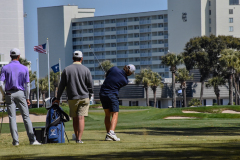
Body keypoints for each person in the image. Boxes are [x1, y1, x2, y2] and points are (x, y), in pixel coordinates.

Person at [0, 48, 41, 146]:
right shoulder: (24, 68)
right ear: (18, 56)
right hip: (20, 93)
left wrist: (4, 94)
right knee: (26, 117)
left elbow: (1, 83)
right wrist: (27, 98)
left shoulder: (5, 68)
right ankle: (32, 140)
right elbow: (27, 85)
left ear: (10, 56)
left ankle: (16, 141)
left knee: (12, 118)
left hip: (9, 93)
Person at [53, 51, 93, 144]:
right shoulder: (86, 70)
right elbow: (90, 86)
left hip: (72, 97)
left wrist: (58, 98)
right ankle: (79, 139)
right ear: (82, 58)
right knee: (81, 118)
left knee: (75, 118)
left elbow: (61, 86)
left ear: (72, 58)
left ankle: (77, 137)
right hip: (84, 97)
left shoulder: (67, 69)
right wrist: (90, 95)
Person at [99, 64, 136, 141]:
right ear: (130, 73)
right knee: (115, 114)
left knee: (107, 115)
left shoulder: (114, 69)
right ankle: (111, 133)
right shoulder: (125, 81)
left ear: (125, 66)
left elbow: (107, 76)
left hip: (102, 93)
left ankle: (108, 135)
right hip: (112, 95)